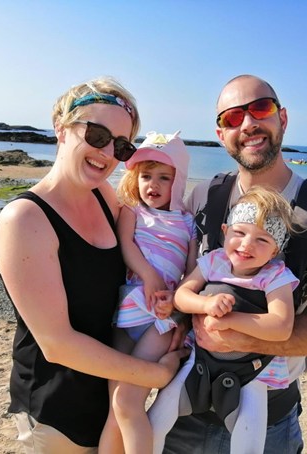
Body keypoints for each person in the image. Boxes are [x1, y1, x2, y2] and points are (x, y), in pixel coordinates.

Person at [162, 74, 307, 453]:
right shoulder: (204, 197)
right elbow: (171, 275)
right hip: (185, 412)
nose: (248, 124)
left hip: (268, 417)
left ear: (282, 118)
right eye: (232, 118)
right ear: (220, 134)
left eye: (261, 108)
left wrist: (244, 334)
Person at [0, 77, 188, 453]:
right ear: (61, 128)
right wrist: (157, 373)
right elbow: (57, 344)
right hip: (57, 412)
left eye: (121, 144)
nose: (107, 153)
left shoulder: (103, 195)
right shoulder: (25, 220)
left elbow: (149, 243)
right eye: (97, 134)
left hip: (108, 397)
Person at [148, 186, 300, 454]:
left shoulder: (276, 276)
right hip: (200, 358)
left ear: (275, 250)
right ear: (224, 231)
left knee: (249, 438)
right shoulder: (214, 260)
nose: (246, 245)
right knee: (158, 419)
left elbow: (281, 326)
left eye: (262, 240)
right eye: (239, 233)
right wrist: (206, 304)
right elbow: (182, 295)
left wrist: (231, 320)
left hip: (255, 370)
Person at [98, 131, 198, 453]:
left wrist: (177, 298)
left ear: (179, 180)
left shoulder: (187, 222)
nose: (152, 185)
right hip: (128, 309)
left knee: (128, 401)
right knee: (115, 405)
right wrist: (149, 275)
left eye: (163, 177)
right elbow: (126, 244)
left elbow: (194, 271)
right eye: (146, 176)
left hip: (160, 316)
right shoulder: (132, 211)